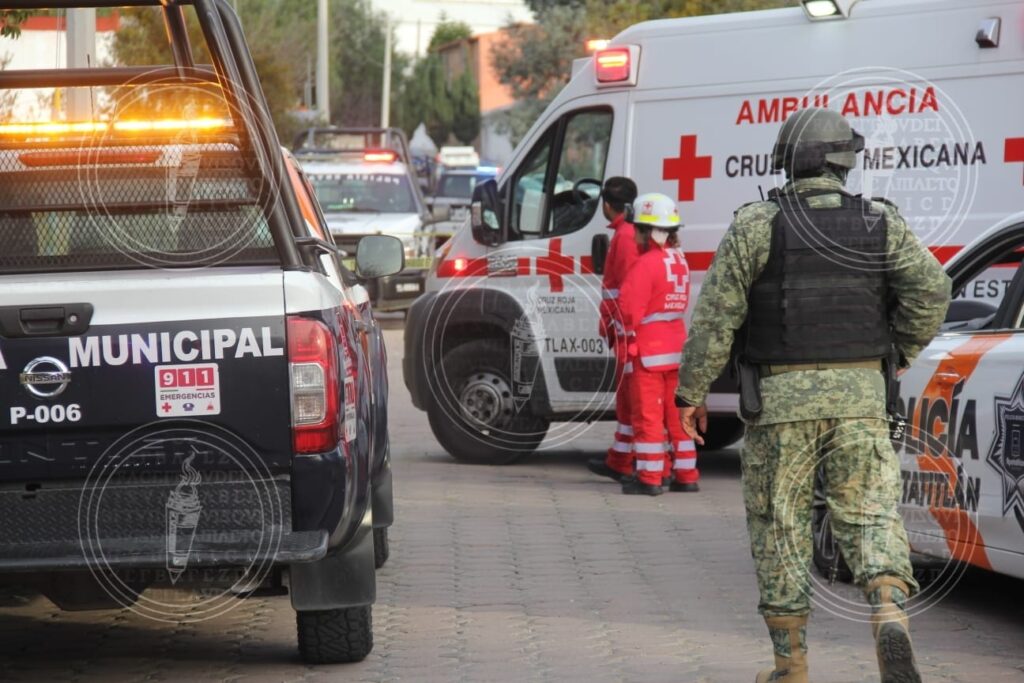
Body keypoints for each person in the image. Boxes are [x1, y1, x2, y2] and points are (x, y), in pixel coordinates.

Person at [675, 108, 950, 683]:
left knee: (781, 528)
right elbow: (932, 290)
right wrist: (897, 352)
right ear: (844, 161)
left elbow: (716, 318)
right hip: (860, 400)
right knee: (870, 516)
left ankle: (790, 666)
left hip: (780, 404)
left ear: (787, 161)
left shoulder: (757, 224)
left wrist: (691, 392)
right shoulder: (880, 221)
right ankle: (888, 608)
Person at [617, 192, 699, 496]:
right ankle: (686, 474)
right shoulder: (680, 260)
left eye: (638, 229)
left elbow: (628, 310)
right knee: (677, 417)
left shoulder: (646, 263)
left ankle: (650, 478)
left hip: (648, 353)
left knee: (648, 418)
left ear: (648, 231)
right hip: (676, 349)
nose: (634, 236)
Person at [587, 177, 641, 483]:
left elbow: (623, 288)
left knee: (631, 400)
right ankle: (620, 459)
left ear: (607, 205)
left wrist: (612, 323)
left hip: (626, 329)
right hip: (626, 327)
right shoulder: (629, 233)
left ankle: (631, 462)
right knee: (627, 400)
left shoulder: (625, 236)